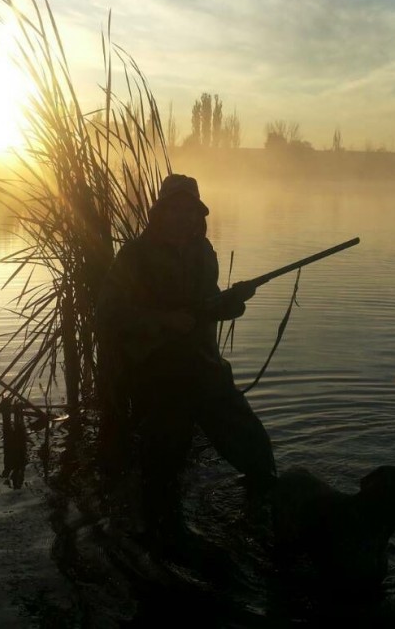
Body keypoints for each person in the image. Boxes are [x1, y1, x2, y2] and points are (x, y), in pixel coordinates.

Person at [96, 174, 276, 545]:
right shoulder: (134, 255)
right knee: (162, 464)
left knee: (256, 448)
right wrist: (164, 320)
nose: (182, 216)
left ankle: (265, 520)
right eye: (174, 208)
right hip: (157, 373)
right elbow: (108, 314)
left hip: (203, 366)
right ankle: (158, 540)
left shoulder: (203, 252)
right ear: (159, 213)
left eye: (189, 209)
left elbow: (206, 309)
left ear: (198, 214)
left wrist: (234, 302)